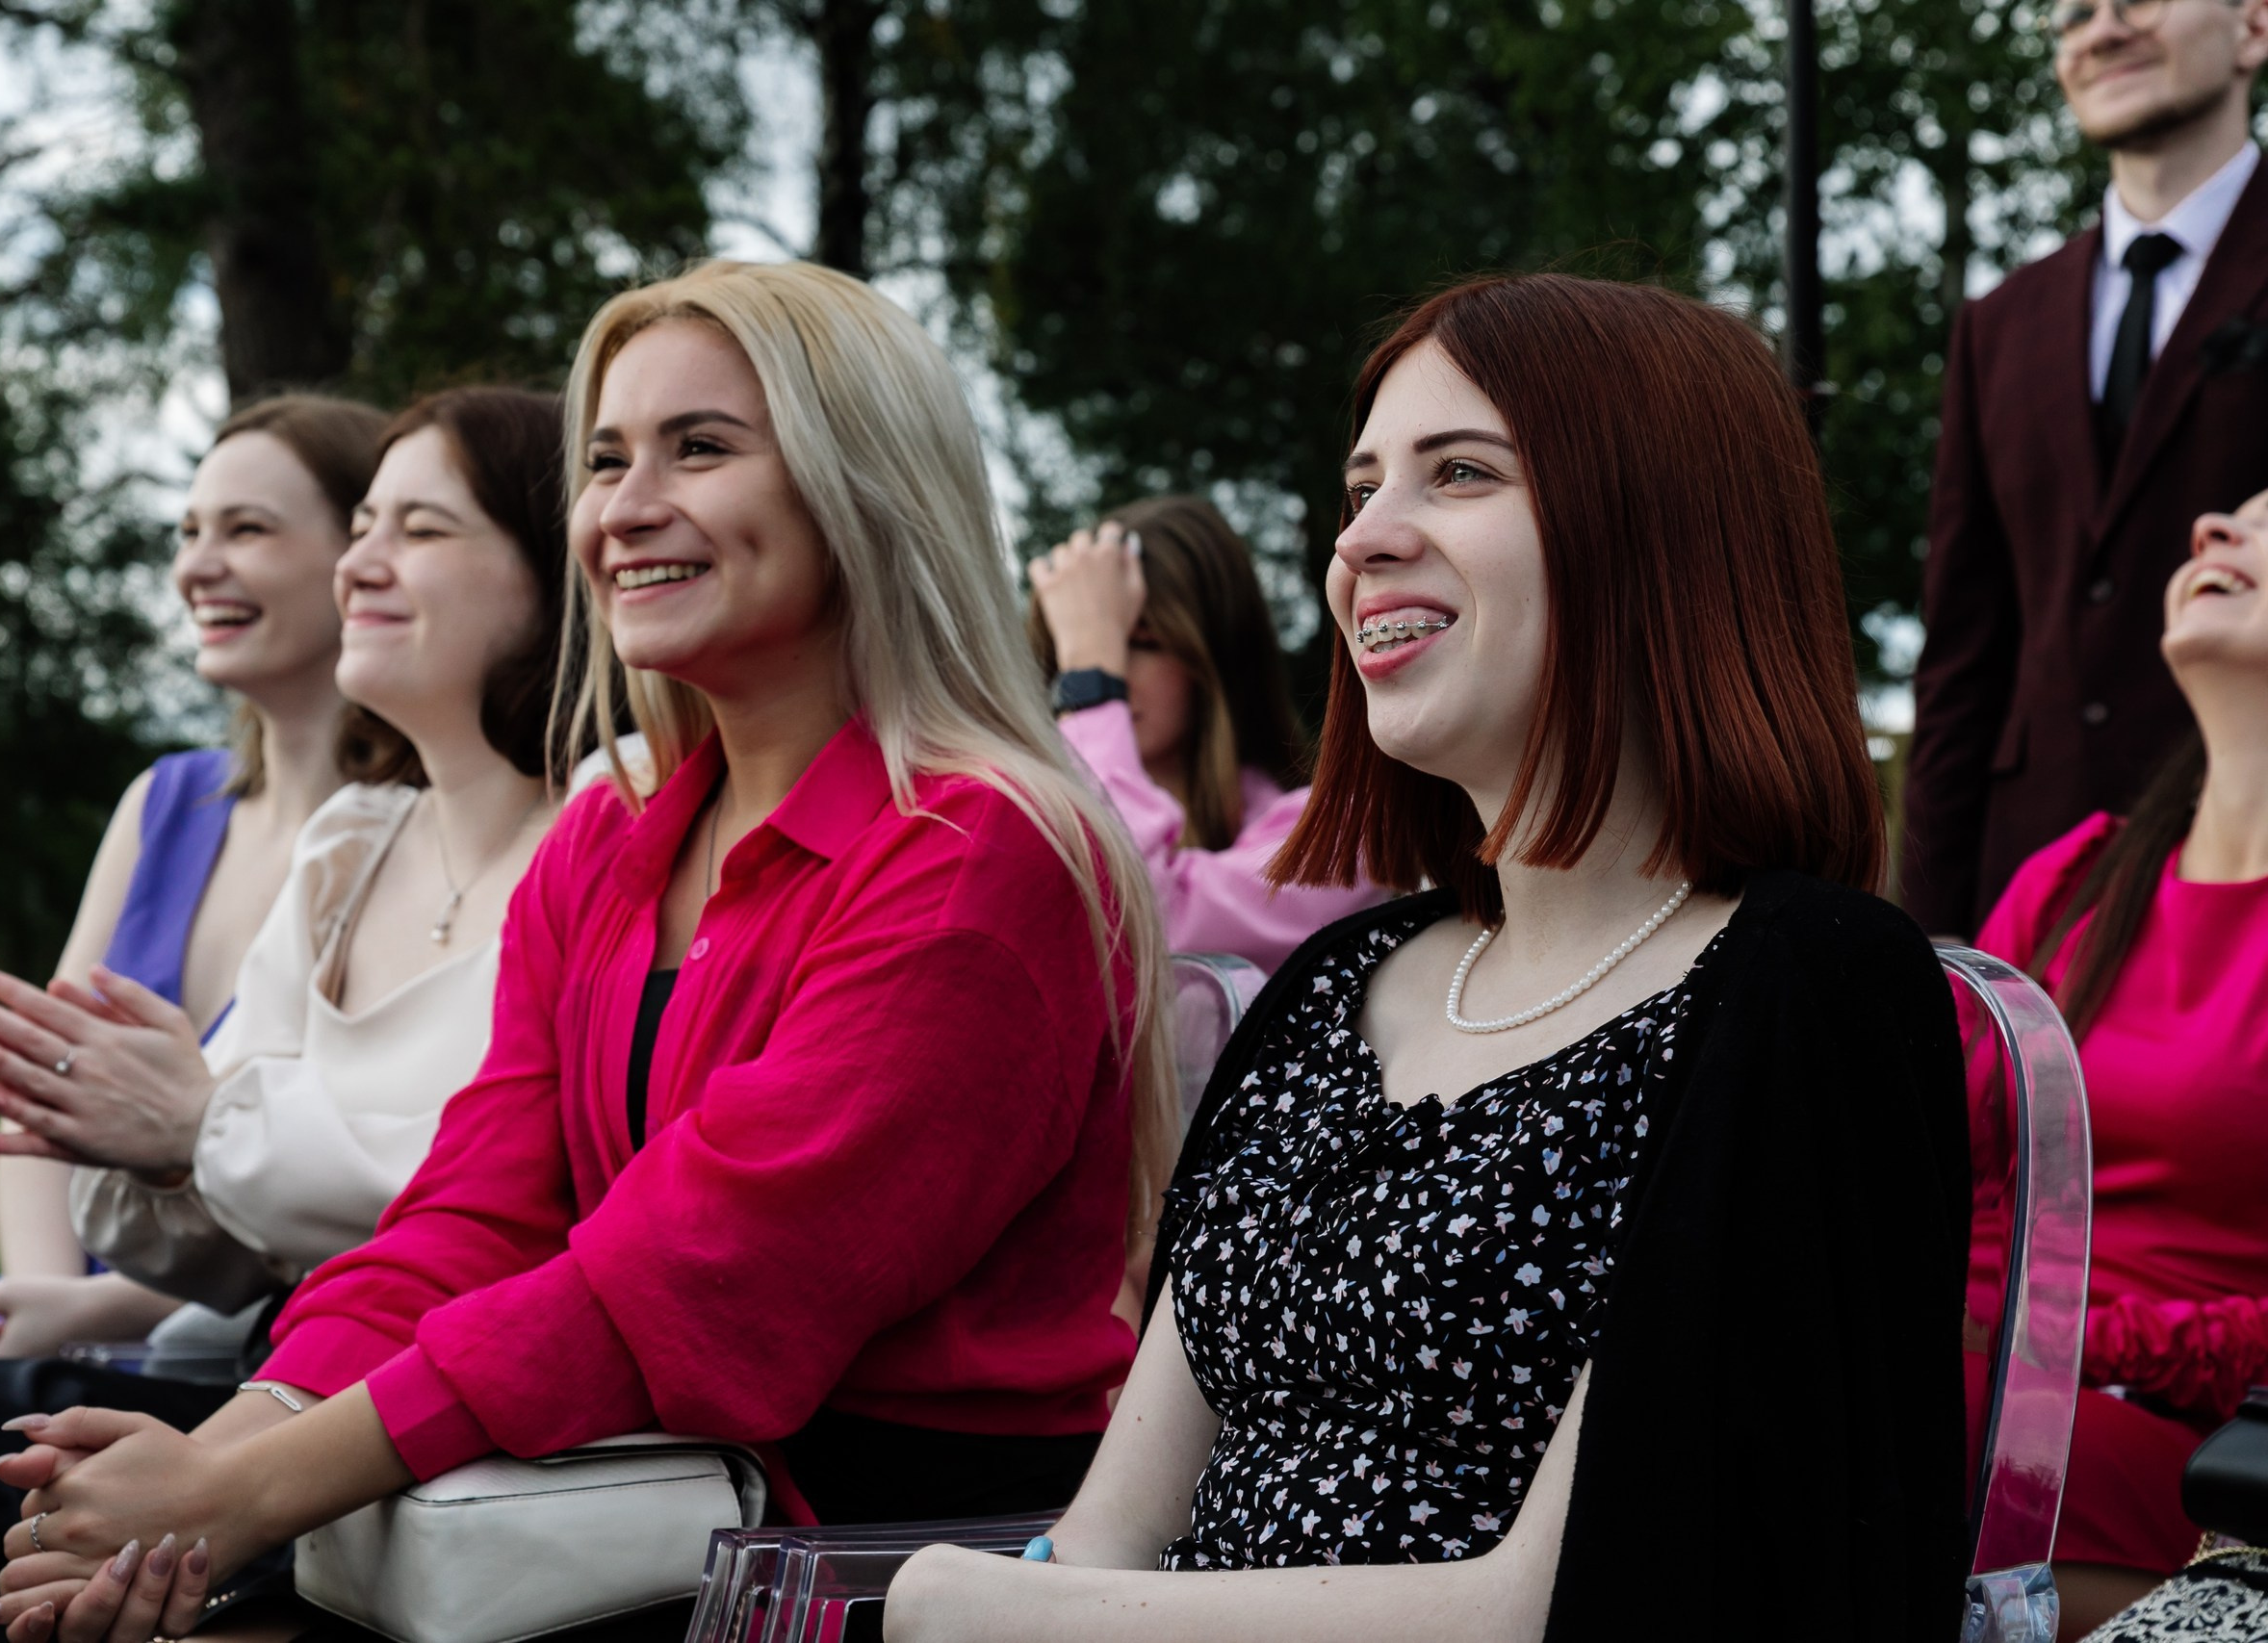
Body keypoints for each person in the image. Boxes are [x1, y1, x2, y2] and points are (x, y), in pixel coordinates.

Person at [0, 260, 1175, 1643]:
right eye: (605, 458)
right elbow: (472, 1216)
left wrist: (245, 1489)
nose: (624, 507)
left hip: (880, 1563)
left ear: (865, 482)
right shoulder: (611, 837)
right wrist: (230, 1453)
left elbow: (687, 1284)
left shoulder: (979, 852)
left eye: (702, 446)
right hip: (609, 1502)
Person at [884, 273, 1969, 1643]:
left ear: (1663, 529)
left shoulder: (1804, 983)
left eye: (1459, 472)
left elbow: (1578, 1599)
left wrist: (978, 1604)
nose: (1363, 542)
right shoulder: (1336, 983)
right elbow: (1112, 1528)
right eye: (1359, 488)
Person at [0, 386, 577, 1640]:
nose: (364, 565)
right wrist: (133, 1145)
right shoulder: (352, 843)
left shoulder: (609, 831)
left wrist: (200, 1126)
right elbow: (205, 1222)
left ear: (553, 574)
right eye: (365, 524)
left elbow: (493, 1203)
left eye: (418, 529)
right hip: (278, 1346)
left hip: (409, 1398)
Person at [0, 394, 387, 1365]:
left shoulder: (424, 839)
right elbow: (38, 1096)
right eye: (189, 531)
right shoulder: (162, 805)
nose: (195, 567)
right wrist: (38, 1313)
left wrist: (100, 1322)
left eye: (246, 530)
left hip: (242, 1357)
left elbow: (342, 1198)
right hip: (54, 1329)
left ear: (365, 555)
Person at [1958, 486, 2268, 1640]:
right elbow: (1928, 1155)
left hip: (2207, 1454)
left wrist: (2060, 1340)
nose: (2212, 531)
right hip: (1984, 1374)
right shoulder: (2076, 876)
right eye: (2226, 514)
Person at [1900, 0, 2268, 937]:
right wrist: (1925, 946)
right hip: (2026, 878)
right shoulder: (1999, 324)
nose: (2098, 30)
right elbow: (1962, 658)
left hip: (2245, 862)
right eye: (2070, 15)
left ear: (2253, 27)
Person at [1028, 499, 1388, 974]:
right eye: (1076, 649)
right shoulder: (1015, 824)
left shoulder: (1337, 839)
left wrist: (1091, 684)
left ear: (1216, 658)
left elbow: (1139, 914)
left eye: (1143, 642)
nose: (1114, 673)